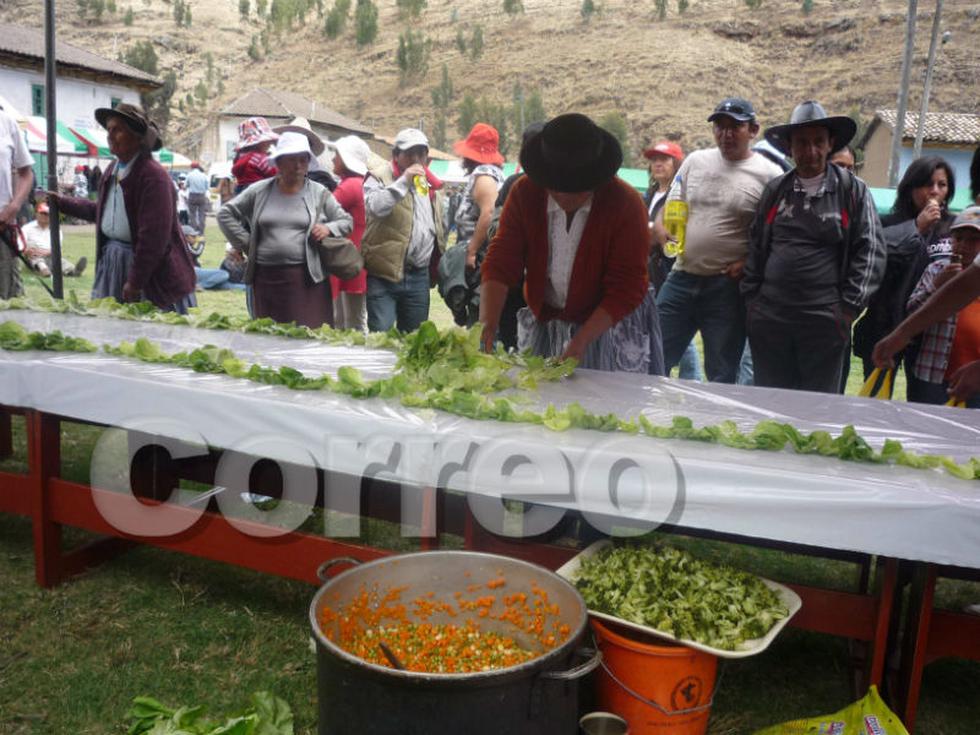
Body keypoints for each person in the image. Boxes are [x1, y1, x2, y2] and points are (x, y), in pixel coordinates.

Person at [480, 113, 664, 374]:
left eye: (577, 188)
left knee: (603, 406)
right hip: (549, 320)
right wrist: (486, 328)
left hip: (610, 323)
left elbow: (627, 285)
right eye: (556, 188)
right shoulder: (525, 193)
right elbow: (501, 260)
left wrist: (581, 343)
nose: (564, 196)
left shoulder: (625, 204)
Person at [741, 101, 885, 393]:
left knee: (818, 406)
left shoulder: (852, 190)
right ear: (790, 147)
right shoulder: (776, 190)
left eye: (819, 142)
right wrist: (752, 302)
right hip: (770, 318)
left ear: (830, 143)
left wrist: (847, 310)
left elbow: (871, 251)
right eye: (802, 143)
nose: (811, 151)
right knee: (770, 399)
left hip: (824, 320)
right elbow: (756, 246)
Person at [654, 97, 783, 383]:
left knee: (722, 372)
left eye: (734, 127)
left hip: (726, 287)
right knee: (652, 356)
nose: (725, 134)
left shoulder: (771, 175)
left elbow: (779, 235)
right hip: (681, 276)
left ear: (753, 130)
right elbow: (673, 202)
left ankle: (715, 426)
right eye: (720, 127)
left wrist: (749, 262)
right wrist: (662, 224)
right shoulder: (695, 161)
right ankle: (643, 421)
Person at [51, 103, 197, 312]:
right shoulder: (113, 170)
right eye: (108, 130)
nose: (110, 136)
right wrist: (62, 203)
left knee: (149, 334)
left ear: (137, 137)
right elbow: (102, 212)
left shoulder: (154, 177)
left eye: (117, 130)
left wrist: (136, 281)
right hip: (114, 265)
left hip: (147, 270)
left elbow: (153, 238)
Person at [218, 131, 354, 329]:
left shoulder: (319, 192)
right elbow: (225, 214)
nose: (298, 166)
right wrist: (247, 243)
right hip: (266, 279)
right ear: (279, 162)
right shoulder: (259, 190)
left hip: (306, 280)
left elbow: (345, 221)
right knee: (270, 338)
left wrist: (328, 228)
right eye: (292, 159)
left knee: (308, 338)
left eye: (303, 159)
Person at [852, 156, 957, 398]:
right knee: (875, 397)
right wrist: (916, 228)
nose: (934, 192)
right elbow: (876, 265)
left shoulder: (954, 228)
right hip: (884, 325)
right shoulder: (886, 223)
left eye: (942, 185)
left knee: (924, 400)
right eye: (927, 184)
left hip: (930, 333)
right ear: (910, 187)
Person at [873, 206, 980, 405]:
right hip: (933, 371)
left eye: (974, 240)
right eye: (959, 238)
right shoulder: (937, 268)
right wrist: (937, 284)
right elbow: (914, 308)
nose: (964, 245)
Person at [362, 128, 446, 333]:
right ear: (396, 156)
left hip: (419, 275)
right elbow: (376, 208)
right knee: (381, 339)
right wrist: (403, 181)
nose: (417, 159)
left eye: (421, 153)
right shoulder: (378, 177)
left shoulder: (429, 184)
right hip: (384, 274)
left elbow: (436, 225)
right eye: (410, 153)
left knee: (414, 340)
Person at [644, 140, 702, 380]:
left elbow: (673, 238)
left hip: (671, 270)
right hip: (650, 272)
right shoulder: (649, 195)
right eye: (654, 159)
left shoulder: (678, 196)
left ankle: (692, 379)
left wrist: (652, 234)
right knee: (658, 327)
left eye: (664, 159)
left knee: (672, 330)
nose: (658, 164)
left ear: (677, 163)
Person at [439, 123, 506, 327]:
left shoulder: (484, 176)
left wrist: (471, 250)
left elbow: (488, 212)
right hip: (486, 257)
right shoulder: (493, 174)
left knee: (479, 319)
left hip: (480, 257)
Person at [327, 135, 371, 332]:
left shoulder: (350, 185)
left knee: (348, 323)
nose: (333, 159)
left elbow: (324, 210)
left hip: (348, 259)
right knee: (353, 319)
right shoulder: (360, 183)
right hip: (357, 258)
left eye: (336, 154)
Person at [0, 103, 34, 299]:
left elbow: (26, 172)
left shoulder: (6, 122)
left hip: (3, 227)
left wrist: (14, 206)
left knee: (7, 301)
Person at [21, 203, 87, 277]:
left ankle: (73, 271)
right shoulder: (27, 228)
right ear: (36, 214)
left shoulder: (56, 230)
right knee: (34, 251)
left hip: (49, 256)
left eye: (47, 214)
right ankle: (43, 269)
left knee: (59, 260)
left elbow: (57, 248)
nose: (44, 216)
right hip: (32, 257)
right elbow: (19, 245)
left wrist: (47, 252)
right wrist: (26, 250)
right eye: (42, 213)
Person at [231, 117, 279, 194]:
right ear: (259, 143)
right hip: (259, 193)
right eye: (267, 141)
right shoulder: (259, 158)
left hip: (241, 192)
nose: (270, 143)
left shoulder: (239, 158)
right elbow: (275, 174)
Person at [185, 161, 210, 235]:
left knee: (192, 214)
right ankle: (201, 232)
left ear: (191, 167)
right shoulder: (203, 175)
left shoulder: (189, 175)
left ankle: (194, 231)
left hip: (192, 195)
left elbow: (186, 185)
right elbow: (206, 187)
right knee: (202, 214)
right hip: (202, 196)